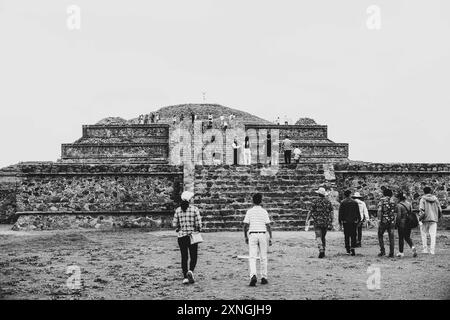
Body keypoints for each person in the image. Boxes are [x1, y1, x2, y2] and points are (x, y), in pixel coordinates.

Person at [172, 191, 202, 285]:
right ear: (189, 199)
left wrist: (178, 228)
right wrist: (197, 229)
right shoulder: (194, 209)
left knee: (184, 257)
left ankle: (185, 277)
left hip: (181, 236)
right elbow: (198, 224)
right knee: (193, 256)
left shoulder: (178, 210)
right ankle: (191, 271)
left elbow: (174, 224)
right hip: (192, 236)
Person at [243, 193, 272, 287]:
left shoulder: (249, 211)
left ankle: (253, 275)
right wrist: (270, 237)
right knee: (263, 256)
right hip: (263, 234)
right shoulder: (264, 211)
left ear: (252, 201)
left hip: (253, 234)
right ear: (261, 201)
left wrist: (246, 237)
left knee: (252, 257)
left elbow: (245, 225)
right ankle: (264, 277)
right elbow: (268, 225)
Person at [305, 187, 334, 258]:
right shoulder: (328, 202)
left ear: (318, 194)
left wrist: (307, 219)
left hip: (317, 221)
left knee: (318, 236)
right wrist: (331, 221)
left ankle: (321, 249)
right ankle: (323, 250)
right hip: (325, 222)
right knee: (323, 237)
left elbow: (310, 211)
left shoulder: (315, 201)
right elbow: (331, 212)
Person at [419, 186, 442, 255]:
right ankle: (432, 251)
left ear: (424, 191)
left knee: (424, 235)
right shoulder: (435, 199)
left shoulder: (422, 199)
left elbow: (422, 211)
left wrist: (420, 219)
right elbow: (440, 210)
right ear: (430, 191)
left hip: (425, 219)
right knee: (433, 235)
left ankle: (425, 250)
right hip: (434, 219)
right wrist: (437, 217)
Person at [338, 190, 361, 256]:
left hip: (346, 222)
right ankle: (353, 248)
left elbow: (341, 213)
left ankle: (348, 249)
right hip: (353, 221)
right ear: (350, 194)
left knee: (347, 236)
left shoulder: (343, 202)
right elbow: (357, 212)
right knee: (353, 235)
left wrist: (340, 221)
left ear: (345, 195)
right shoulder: (354, 202)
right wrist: (359, 220)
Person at [395, 192, 417, 258]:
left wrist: (397, 223)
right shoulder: (409, 204)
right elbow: (410, 212)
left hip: (402, 223)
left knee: (401, 238)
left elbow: (399, 216)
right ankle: (413, 247)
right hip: (408, 223)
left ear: (399, 198)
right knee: (407, 237)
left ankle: (401, 252)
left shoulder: (399, 205)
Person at [377, 188, 396, 257]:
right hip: (392, 220)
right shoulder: (393, 201)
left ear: (384, 193)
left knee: (380, 234)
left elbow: (379, 210)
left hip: (384, 220)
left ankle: (382, 251)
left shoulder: (382, 200)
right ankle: (391, 253)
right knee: (391, 236)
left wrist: (379, 219)